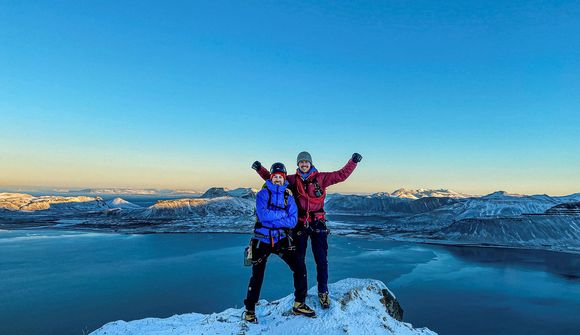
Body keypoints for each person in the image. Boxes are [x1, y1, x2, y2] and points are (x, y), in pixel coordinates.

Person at [252, 152, 362, 309]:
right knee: (299, 261)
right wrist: (259, 169)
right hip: (300, 223)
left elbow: (340, 175)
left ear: (310, 163)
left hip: (318, 223)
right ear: (298, 164)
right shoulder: (292, 179)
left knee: (321, 259)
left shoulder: (321, 178)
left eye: (306, 162)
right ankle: (300, 298)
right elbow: (274, 179)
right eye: (301, 162)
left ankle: (323, 292)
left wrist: (353, 162)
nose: (304, 164)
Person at [243, 162, 316, 323]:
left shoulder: (288, 197)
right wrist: (282, 217)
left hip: (281, 239)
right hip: (262, 240)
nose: (277, 179)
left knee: (299, 267)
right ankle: (249, 310)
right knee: (257, 275)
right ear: (271, 177)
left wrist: (274, 219)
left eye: (280, 177)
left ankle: (299, 303)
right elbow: (263, 216)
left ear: (284, 179)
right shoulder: (262, 194)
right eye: (275, 177)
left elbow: (292, 221)